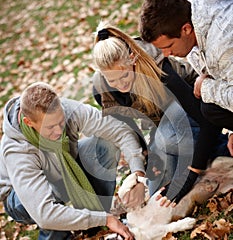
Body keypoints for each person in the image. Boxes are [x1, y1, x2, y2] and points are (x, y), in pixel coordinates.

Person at [0, 82, 149, 240]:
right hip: (21, 197)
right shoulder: (17, 151)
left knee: (105, 146)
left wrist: (138, 174)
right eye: (51, 127)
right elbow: (44, 213)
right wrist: (106, 220)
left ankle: (93, 214)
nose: (59, 130)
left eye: (61, 122)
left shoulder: (66, 110)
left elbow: (119, 130)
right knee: (46, 196)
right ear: (29, 122)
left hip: (65, 169)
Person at [92, 21, 229, 206]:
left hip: (195, 107)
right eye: (112, 80)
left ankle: (222, 151)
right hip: (162, 124)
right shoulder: (102, 88)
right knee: (158, 194)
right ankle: (197, 160)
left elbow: (205, 120)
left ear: (133, 59)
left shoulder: (159, 69)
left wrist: (189, 175)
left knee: (168, 139)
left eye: (124, 76)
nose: (121, 85)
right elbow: (129, 128)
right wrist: (148, 160)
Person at [139, 0, 233, 156]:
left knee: (209, 105)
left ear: (186, 29)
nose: (166, 55)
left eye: (168, 47)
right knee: (210, 108)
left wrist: (205, 87)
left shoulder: (225, 41)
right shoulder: (188, 15)